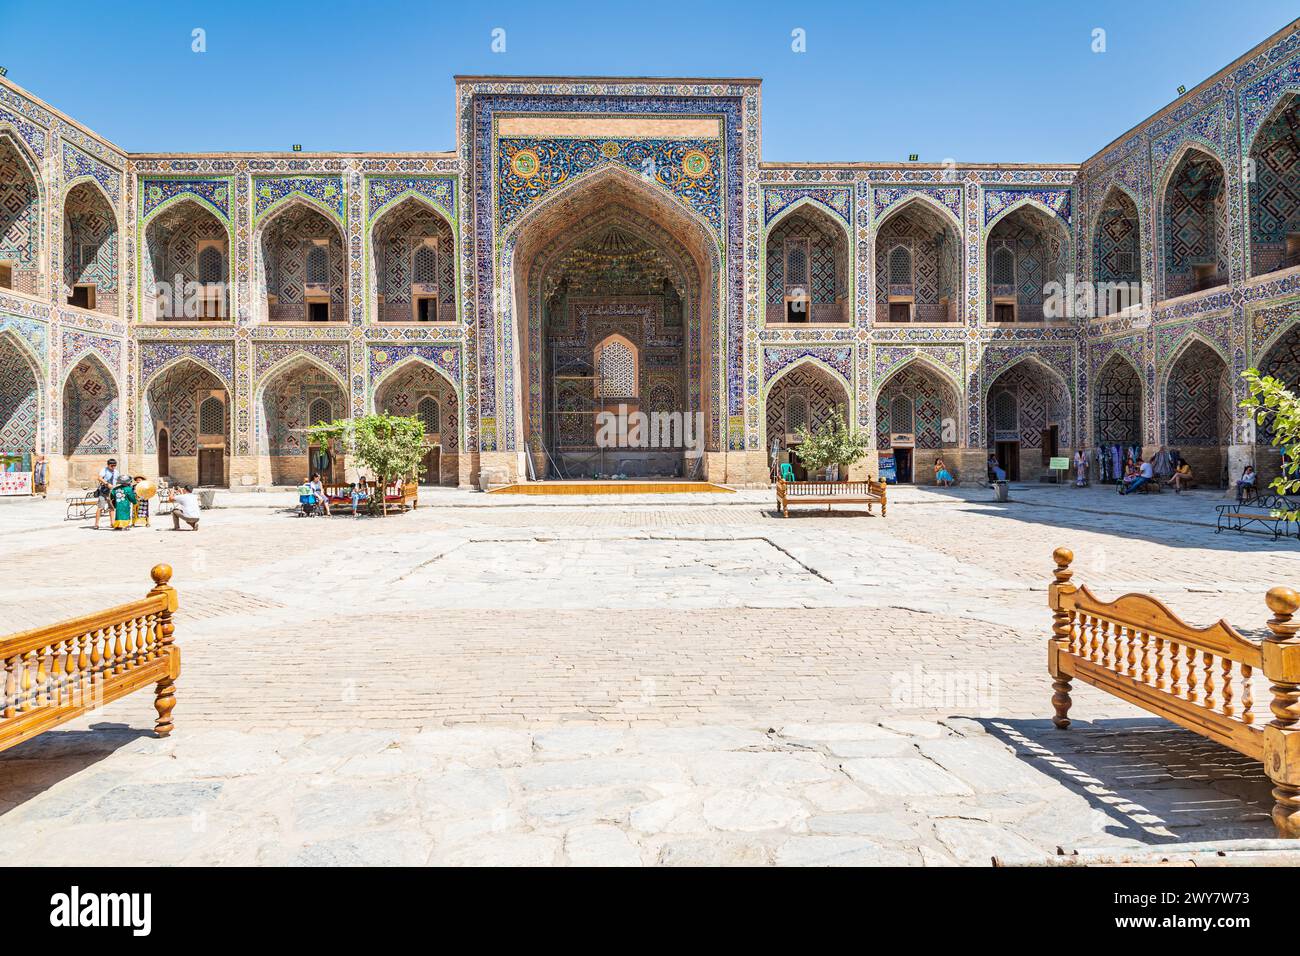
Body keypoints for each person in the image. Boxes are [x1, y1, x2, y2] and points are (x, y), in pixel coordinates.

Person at [94, 457, 121, 529]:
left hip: (112, 492)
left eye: (114, 465)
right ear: (108, 465)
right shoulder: (104, 470)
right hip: (104, 491)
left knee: (111, 507)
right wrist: (107, 484)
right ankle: (96, 524)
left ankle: (112, 523)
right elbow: (99, 478)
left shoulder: (116, 472)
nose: (113, 467)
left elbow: (118, 480)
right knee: (100, 507)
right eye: (112, 466)